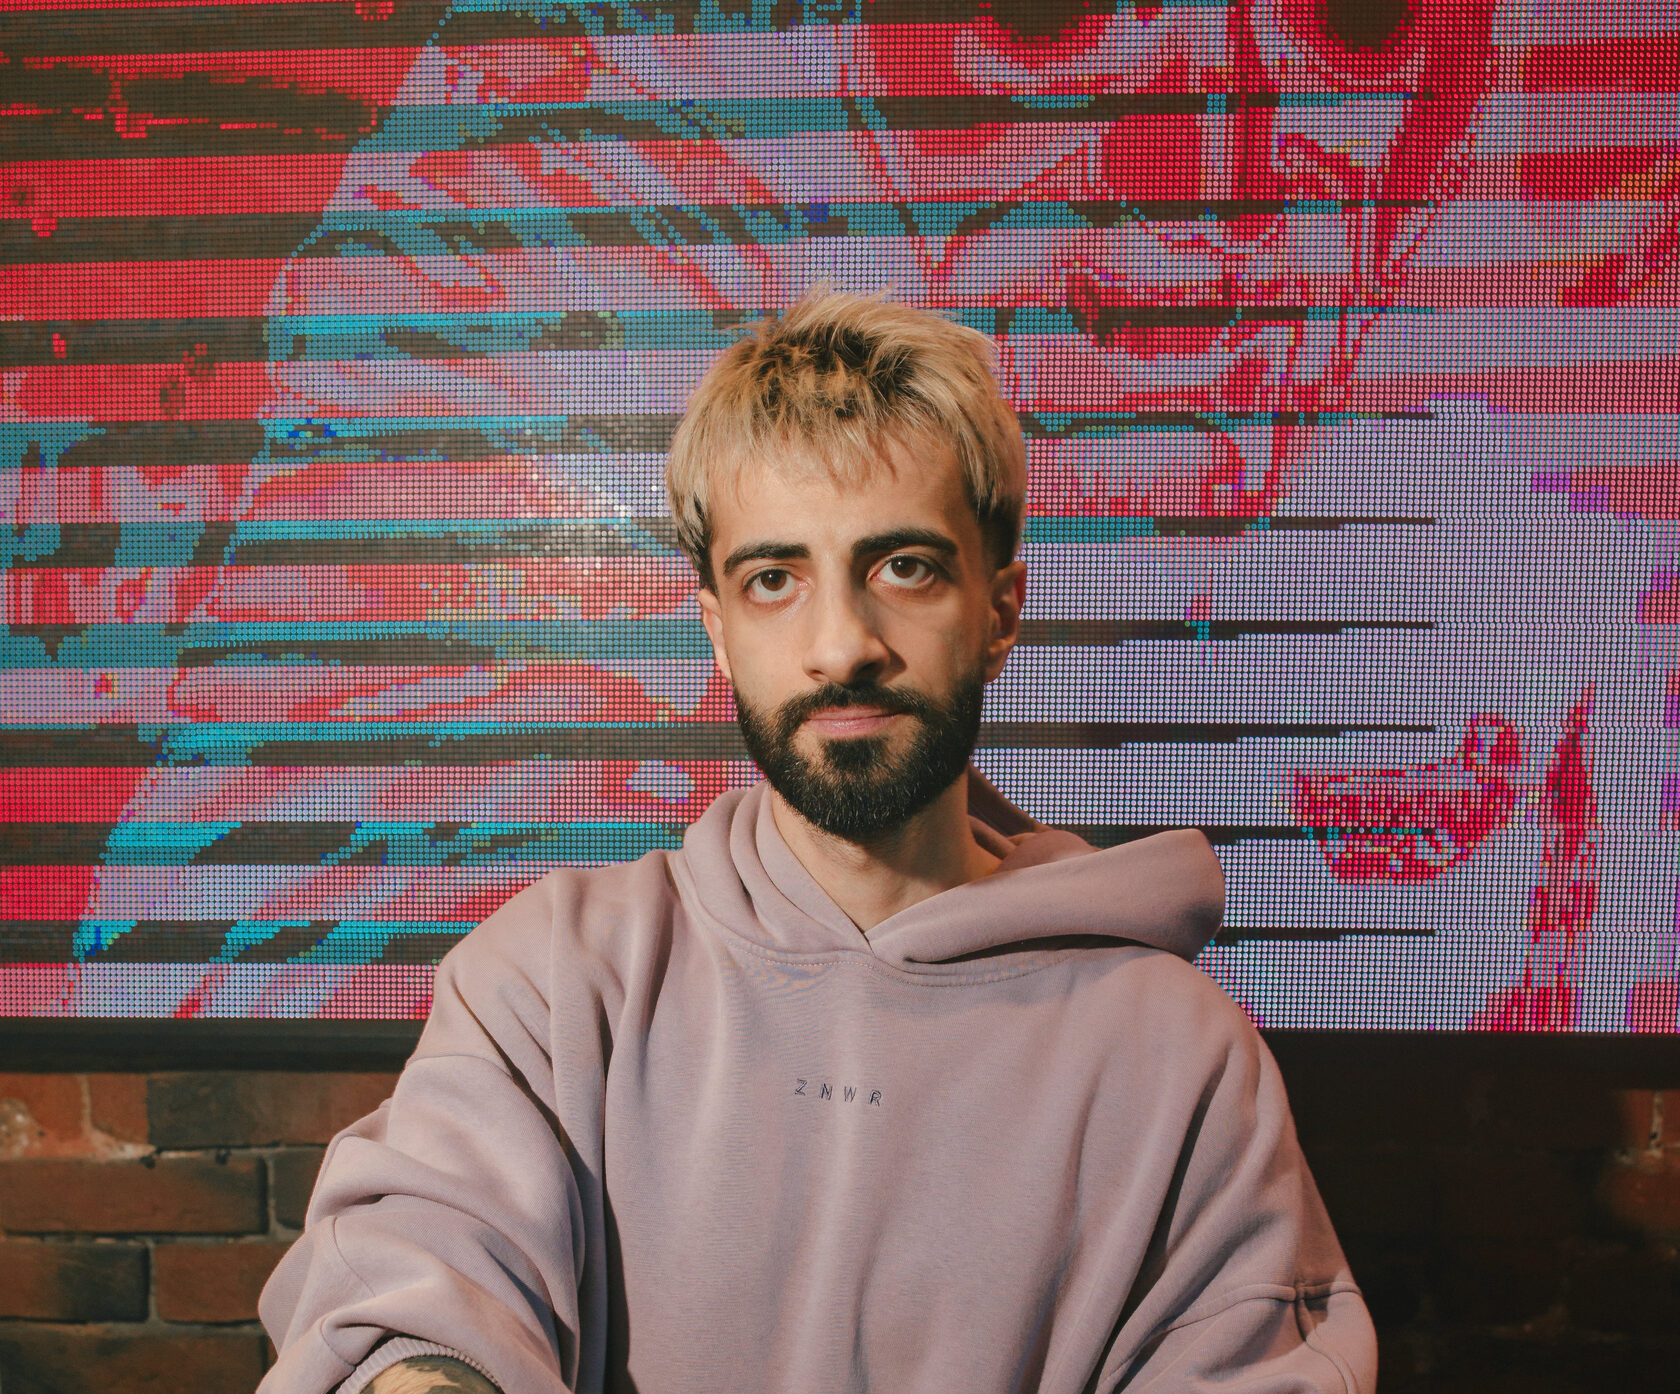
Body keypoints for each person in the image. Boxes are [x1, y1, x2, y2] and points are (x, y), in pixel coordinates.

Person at [246, 291, 1382, 1394]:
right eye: (774, 578)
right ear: (714, 622)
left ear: (1002, 605)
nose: (841, 644)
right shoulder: (555, 974)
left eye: (903, 566)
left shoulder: (1178, 1051)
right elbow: (383, 1319)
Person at [26, 0, 1679, 1027]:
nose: (1198, 160)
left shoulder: (1537, 596)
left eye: (1355, 27)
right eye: (1044, 22)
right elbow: (250, 968)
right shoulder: (552, 199)